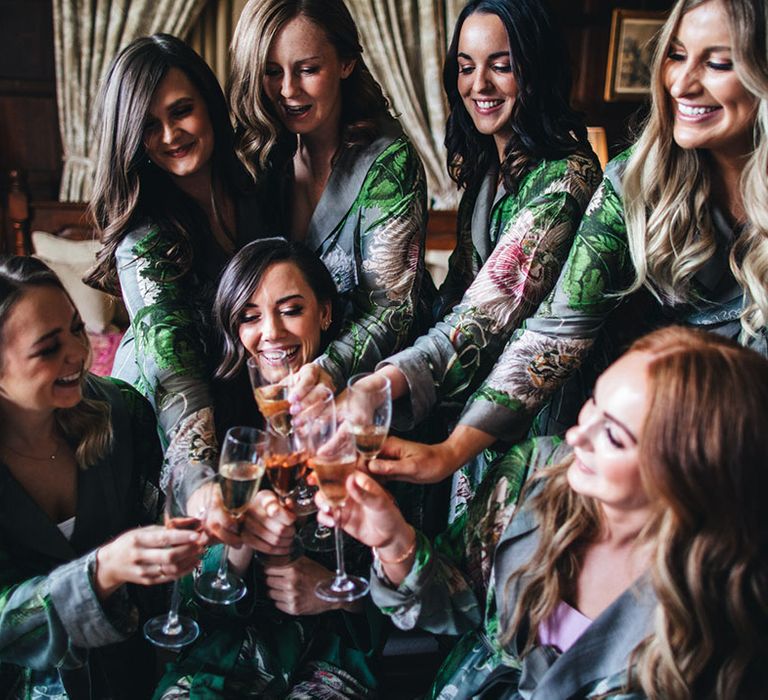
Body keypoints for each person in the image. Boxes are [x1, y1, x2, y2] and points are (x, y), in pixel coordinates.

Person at [367, 0, 768, 496]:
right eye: (676, 55)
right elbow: (559, 327)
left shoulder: (567, 176)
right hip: (637, 440)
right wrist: (446, 444)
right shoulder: (634, 179)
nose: (682, 83)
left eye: (718, 63)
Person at [321, 326, 768, 698]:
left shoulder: (724, 609)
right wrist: (392, 539)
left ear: (689, 475)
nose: (577, 436)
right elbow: (456, 606)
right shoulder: (537, 474)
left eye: (613, 437)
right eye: (593, 404)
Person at [298, 0, 600, 517]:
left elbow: (487, 312)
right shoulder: (486, 170)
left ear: (538, 68)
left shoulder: (565, 177)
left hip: (533, 414)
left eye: (501, 65)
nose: (478, 84)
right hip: (465, 401)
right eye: (465, 66)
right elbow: (455, 296)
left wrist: (381, 381)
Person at [155, 239, 382, 699]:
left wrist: (338, 594)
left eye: (291, 309)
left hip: (329, 657)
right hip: (219, 658)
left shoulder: (367, 421)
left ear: (325, 313)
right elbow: (181, 601)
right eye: (250, 317)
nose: (272, 333)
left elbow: (417, 576)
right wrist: (237, 548)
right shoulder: (213, 429)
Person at [0, 256, 207, 699]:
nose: (78, 352)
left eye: (77, 328)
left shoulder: (121, 410)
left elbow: (170, 520)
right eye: (48, 348)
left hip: (133, 673)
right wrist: (99, 572)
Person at [85, 34, 268, 477]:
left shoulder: (262, 192)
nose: (170, 135)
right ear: (130, 136)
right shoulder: (143, 240)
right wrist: (203, 482)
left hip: (251, 415)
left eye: (181, 110)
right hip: (171, 431)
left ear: (207, 102)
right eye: (149, 125)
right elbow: (176, 379)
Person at [229, 0, 432, 393]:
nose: (288, 90)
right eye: (272, 72)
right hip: (280, 380)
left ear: (345, 63)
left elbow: (389, 314)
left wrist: (321, 373)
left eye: (307, 69)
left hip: (373, 391)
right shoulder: (262, 156)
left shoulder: (389, 163)